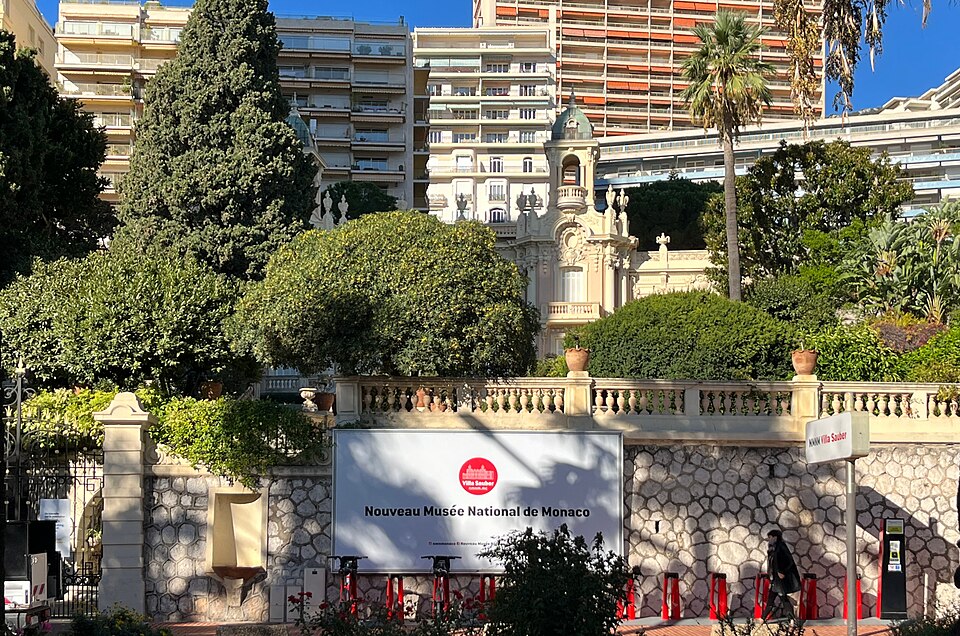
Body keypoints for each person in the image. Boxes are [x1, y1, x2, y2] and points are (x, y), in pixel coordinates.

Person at [765, 528, 801, 621]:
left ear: (775, 537)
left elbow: (789, 561)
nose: (768, 539)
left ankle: (763, 618)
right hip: (775, 579)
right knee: (776, 598)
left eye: (770, 537)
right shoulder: (772, 549)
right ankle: (763, 618)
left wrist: (782, 572)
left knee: (781, 598)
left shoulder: (781, 546)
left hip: (779, 579)